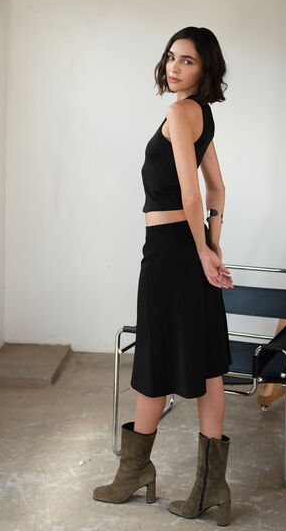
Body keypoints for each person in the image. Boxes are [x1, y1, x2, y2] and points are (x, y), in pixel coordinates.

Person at [93, 26, 234, 526]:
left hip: (171, 254)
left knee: (155, 357)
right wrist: (212, 244)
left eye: (188, 60)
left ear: (205, 67)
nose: (174, 66)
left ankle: (133, 472)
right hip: (189, 250)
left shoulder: (179, 112)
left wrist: (202, 250)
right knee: (208, 364)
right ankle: (211, 490)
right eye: (172, 56)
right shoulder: (202, 113)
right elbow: (219, 189)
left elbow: (194, 192)